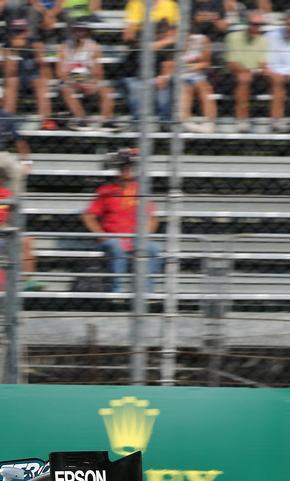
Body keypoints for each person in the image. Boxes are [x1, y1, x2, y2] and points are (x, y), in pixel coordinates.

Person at [81, 148, 161, 292]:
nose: (127, 170)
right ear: (118, 169)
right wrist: (103, 236)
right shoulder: (106, 190)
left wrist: (145, 237)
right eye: (124, 167)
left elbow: (153, 217)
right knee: (116, 246)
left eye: (130, 167)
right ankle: (117, 290)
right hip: (112, 238)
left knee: (153, 248)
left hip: (135, 237)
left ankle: (146, 292)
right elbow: (87, 215)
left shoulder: (141, 189)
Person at [56, 17, 114, 131]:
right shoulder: (63, 47)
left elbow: (98, 73)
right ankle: (82, 120)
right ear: (72, 31)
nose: (80, 33)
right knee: (66, 90)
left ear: (88, 32)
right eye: (77, 30)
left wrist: (91, 83)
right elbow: (60, 73)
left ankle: (107, 121)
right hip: (70, 83)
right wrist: (76, 82)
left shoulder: (94, 47)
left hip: (89, 81)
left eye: (83, 30)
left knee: (107, 90)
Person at [0, 18, 54, 130]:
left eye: (22, 31)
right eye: (17, 31)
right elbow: (9, 72)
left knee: (40, 82)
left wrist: (37, 53)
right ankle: (7, 120)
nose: (20, 34)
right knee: (12, 81)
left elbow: (44, 67)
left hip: (34, 78)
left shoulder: (36, 44)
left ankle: (46, 120)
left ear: (27, 32)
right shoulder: (6, 47)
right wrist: (14, 50)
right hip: (16, 79)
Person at [224, 13, 270, 132]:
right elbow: (232, 64)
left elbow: (263, 64)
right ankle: (242, 119)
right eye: (254, 24)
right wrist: (250, 70)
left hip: (256, 76)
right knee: (244, 78)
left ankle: (277, 120)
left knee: (276, 78)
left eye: (260, 25)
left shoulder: (263, 40)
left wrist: (264, 70)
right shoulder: (233, 37)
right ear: (247, 24)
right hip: (234, 76)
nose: (257, 27)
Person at [177, 26, 217, 132]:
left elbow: (207, 62)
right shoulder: (175, 40)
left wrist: (194, 67)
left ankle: (209, 124)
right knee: (187, 89)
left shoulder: (201, 39)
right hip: (179, 76)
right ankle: (185, 123)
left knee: (205, 89)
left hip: (197, 75)